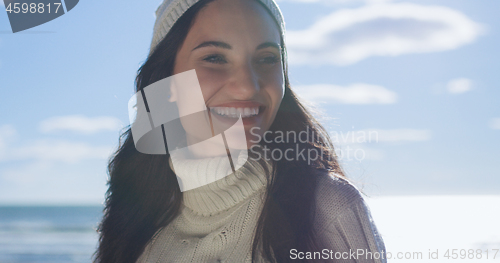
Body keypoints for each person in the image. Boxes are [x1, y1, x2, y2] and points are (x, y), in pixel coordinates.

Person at [94, 0, 387, 262]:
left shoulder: (326, 208)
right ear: (167, 83)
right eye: (215, 58)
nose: (248, 86)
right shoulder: (132, 224)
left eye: (267, 59)